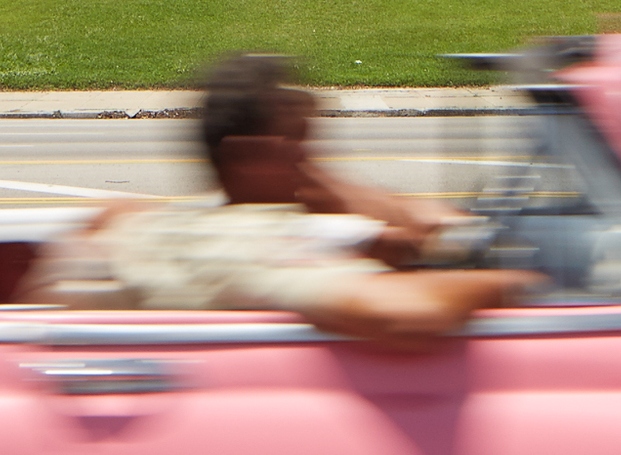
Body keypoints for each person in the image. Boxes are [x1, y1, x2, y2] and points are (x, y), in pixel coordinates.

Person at [40, 55, 520, 351]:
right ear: (249, 155)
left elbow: (416, 230)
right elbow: (404, 314)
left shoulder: (141, 220)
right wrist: (524, 283)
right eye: (298, 143)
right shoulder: (256, 241)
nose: (312, 160)